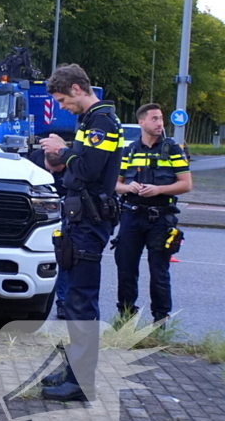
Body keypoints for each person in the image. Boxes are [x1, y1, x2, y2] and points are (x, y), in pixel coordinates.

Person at [38, 65, 125, 402]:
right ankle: (73, 369)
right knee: (71, 298)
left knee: (81, 300)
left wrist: (64, 150)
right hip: (79, 218)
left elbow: (89, 169)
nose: (62, 106)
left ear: (76, 89)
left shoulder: (101, 120)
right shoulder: (90, 122)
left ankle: (81, 381)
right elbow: (79, 166)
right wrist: (58, 159)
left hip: (89, 221)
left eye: (62, 100)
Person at [115, 104, 192, 324]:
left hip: (161, 218)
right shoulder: (129, 150)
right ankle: (126, 319)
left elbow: (186, 184)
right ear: (142, 122)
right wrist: (127, 188)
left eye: (161, 119)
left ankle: (160, 321)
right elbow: (115, 185)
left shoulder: (172, 149)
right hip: (131, 216)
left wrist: (159, 190)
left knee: (159, 272)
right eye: (155, 119)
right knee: (126, 269)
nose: (160, 123)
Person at [27, 146, 67, 319]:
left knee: (64, 258)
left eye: (55, 171)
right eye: (48, 168)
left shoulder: (72, 167)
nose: (51, 173)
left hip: (64, 213)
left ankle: (63, 303)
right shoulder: (33, 160)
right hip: (36, 217)